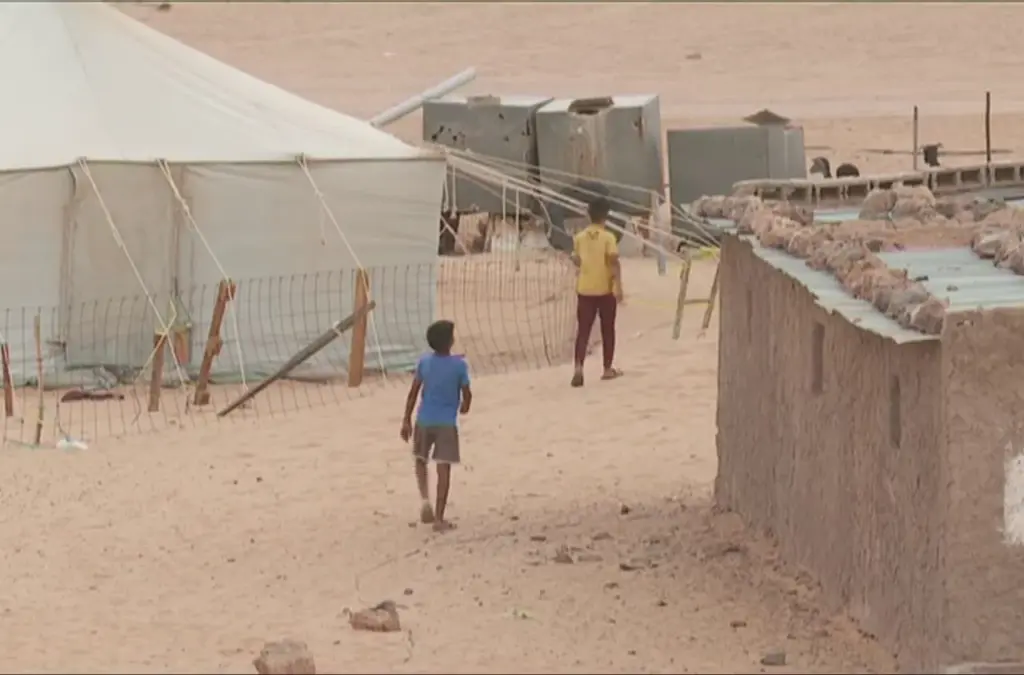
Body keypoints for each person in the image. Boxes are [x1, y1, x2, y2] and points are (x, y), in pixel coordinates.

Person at [399, 320, 472, 532]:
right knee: (443, 468)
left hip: (424, 419)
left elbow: (413, 393)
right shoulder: (459, 365)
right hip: (446, 423)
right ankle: (439, 518)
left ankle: (424, 499)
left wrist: (406, 419)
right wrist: (465, 406)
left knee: (420, 460)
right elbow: (466, 392)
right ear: (450, 342)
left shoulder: (424, 363)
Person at [570, 196, 623, 388]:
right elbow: (613, 262)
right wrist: (619, 287)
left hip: (585, 288)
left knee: (583, 330)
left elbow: (577, 260)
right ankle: (607, 369)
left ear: (588, 215)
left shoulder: (580, 237)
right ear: (606, 216)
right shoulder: (609, 237)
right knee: (607, 329)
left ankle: (578, 367)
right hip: (605, 289)